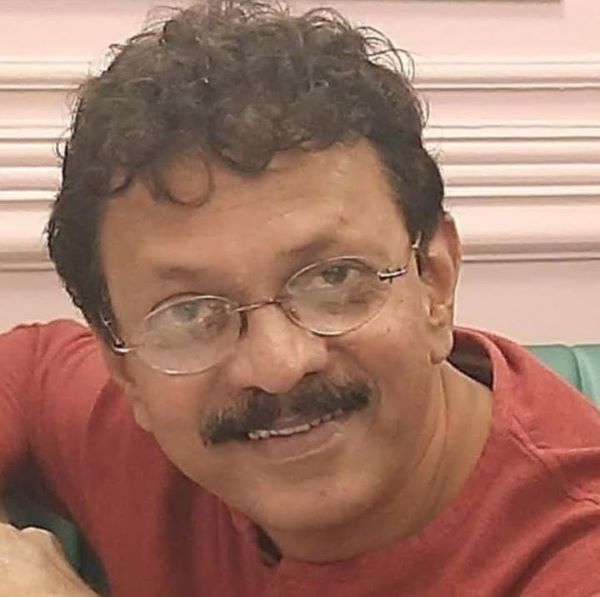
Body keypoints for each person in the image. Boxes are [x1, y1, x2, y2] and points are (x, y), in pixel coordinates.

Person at [0, 2, 599, 595]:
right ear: (123, 367)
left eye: (333, 279)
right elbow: (23, 375)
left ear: (434, 281)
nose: (279, 367)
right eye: (190, 311)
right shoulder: (146, 426)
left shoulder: (571, 558)